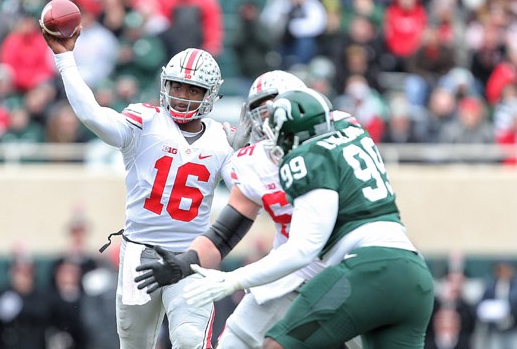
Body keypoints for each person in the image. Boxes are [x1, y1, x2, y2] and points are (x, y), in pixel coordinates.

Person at [181, 88, 435, 348]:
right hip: (414, 274)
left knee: (276, 345)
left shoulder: (306, 158)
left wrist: (233, 279)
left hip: (367, 268)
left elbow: (303, 249)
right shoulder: (354, 130)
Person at [42, 21, 238, 348]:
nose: (182, 96)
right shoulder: (145, 121)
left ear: (210, 95)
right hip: (139, 255)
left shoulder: (223, 138)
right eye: (177, 86)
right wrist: (65, 60)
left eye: (193, 90)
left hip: (191, 253)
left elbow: (245, 190)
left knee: (190, 340)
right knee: (134, 345)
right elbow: (92, 115)